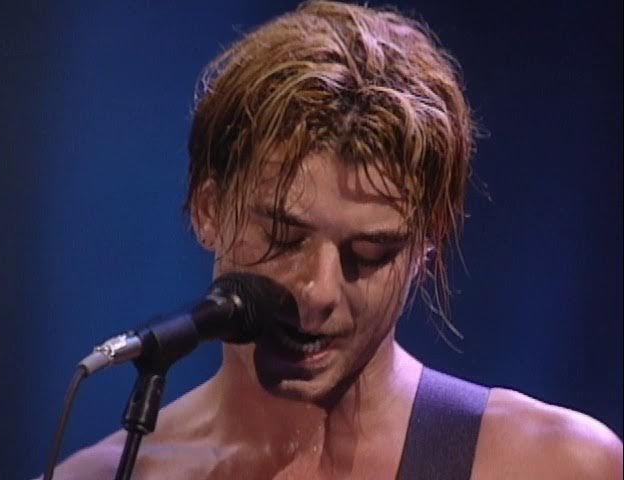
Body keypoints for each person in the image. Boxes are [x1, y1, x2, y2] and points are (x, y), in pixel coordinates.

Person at [46, 1, 622, 478]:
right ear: (208, 209)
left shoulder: (552, 465)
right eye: (284, 237)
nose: (317, 292)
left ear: (425, 249)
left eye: (369, 254)